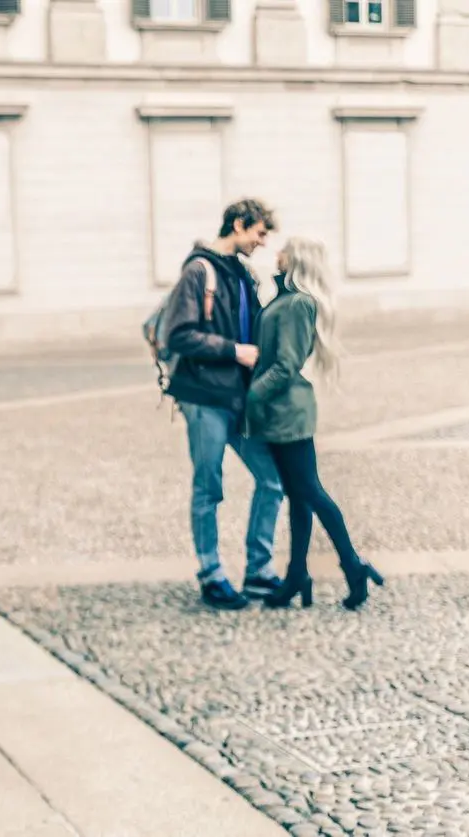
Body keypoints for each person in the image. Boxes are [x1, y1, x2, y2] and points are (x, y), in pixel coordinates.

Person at [245, 236, 385, 611]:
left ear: (298, 259)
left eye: (285, 250)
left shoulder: (297, 304)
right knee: (300, 495)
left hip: (288, 413)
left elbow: (285, 365)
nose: (278, 253)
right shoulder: (286, 299)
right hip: (282, 413)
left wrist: (251, 396)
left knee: (311, 492)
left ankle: (352, 566)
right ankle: (297, 575)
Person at [161, 199, 285, 610]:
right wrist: (235, 351)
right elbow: (177, 334)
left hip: (240, 398)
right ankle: (212, 574)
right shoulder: (200, 270)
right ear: (238, 224)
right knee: (209, 486)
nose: (262, 243)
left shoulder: (244, 273)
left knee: (272, 480)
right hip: (205, 397)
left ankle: (258, 570)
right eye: (259, 233)